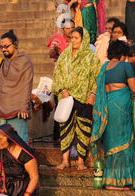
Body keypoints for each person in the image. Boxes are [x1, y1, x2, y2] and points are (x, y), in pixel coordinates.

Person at [90, 40, 135, 190]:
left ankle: (110, 181)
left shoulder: (104, 68)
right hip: (122, 107)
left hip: (108, 106)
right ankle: (123, 181)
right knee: (125, 142)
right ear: (122, 54)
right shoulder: (125, 66)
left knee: (111, 143)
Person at [52, 27, 101, 170]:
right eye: (72, 37)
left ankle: (81, 161)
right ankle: (65, 160)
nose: (73, 40)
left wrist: (93, 94)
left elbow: (97, 78)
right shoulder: (64, 56)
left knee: (84, 129)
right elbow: (57, 74)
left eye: (76, 38)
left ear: (83, 39)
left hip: (85, 98)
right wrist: (62, 90)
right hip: (66, 97)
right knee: (65, 129)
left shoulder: (92, 58)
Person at [0, 30, 34, 144]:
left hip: (17, 109)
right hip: (2, 108)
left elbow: (26, 85)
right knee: (2, 142)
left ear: (15, 44)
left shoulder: (25, 61)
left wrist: (24, 106)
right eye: (2, 47)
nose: (4, 49)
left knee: (19, 142)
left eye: (6, 46)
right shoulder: (4, 62)